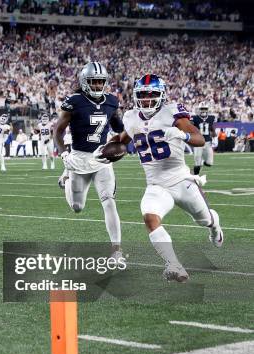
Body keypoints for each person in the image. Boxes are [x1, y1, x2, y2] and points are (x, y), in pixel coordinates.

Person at [116, 74, 223, 282]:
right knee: (150, 217)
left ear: (161, 95)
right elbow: (121, 142)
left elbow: (199, 139)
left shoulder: (172, 113)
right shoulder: (130, 117)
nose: (146, 99)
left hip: (182, 181)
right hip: (156, 185)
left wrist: (182, 135)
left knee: (205, 220)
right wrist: (105, 152)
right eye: (143, 95)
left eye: (152, 95)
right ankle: (174, 265)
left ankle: (215, 227)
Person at [54, 62, 124, 259]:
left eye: (100, 82)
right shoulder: (75, 101)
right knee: (77, 207)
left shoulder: (111, 100)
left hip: (101, 158)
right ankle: (66, 177)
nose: (97, 86)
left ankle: (116, 250)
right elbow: (58, 130)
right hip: (79, 158)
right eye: (93, 82)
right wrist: (63, 153)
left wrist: (130, 125)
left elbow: (118, 125)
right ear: (84, 82)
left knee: (109, 201)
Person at [191, 102, 215, 175]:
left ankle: (202, 162)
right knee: (197, 163)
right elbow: (191, 126)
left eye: (205, 108)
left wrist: (213, 132)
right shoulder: (195, 118)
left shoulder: (211, 118)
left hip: (207, 142)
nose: (203, 110)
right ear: (199, 109)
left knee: (209, 163)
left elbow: (211, 127)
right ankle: (195, 177)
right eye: (202, 108)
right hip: (198, 142)